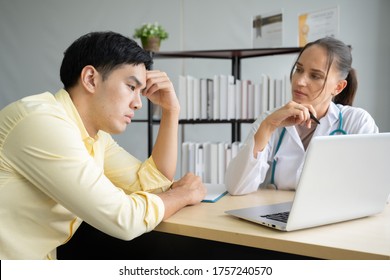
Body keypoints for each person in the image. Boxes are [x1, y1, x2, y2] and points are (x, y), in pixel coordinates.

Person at [0, 31, 206, 259]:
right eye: (131, 87)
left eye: (141, 92)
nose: (138, 103)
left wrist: (170, 111)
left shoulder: (94, 136)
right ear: (90, 79)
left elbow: (151, 185)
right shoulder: (40, 122)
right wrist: (184, 195)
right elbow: (123, 219)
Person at [225, 37, 378, 195]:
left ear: (338, 87)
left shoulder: (357, 123)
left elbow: (377, 190)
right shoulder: (270, 119)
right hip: (273, 216)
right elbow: (236, 187)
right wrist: (268, 126)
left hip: (332, 218)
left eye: (315, 76)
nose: (300, 81)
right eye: (299, 69)